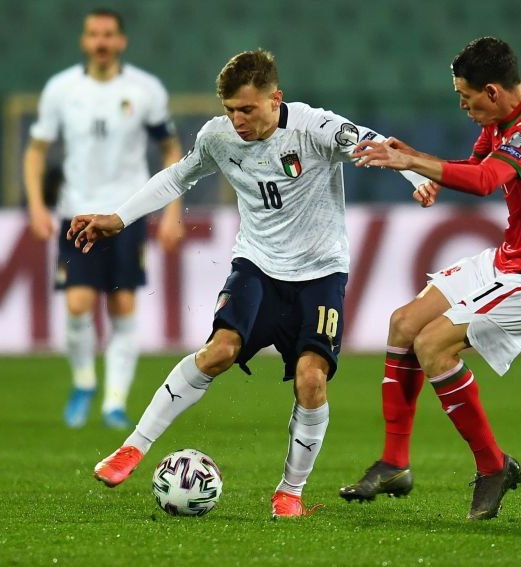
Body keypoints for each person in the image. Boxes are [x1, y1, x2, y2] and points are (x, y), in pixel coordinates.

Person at [67, 49, 429, 518]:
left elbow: (377, 144)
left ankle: (290, 492)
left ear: (275, 99)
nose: (237, 120)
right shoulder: (218, 137)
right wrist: (119, 217)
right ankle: (132, 448)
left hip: (320, 273)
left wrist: (414, 177)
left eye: (247, 109)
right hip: (257, 264)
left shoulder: (314, 127)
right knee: (218, 350)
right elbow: (179, 176)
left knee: (311, 380)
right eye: (230, 110)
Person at [339, 36, 521, 521]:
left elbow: (482, 184)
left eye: (466, 96)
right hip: (511, 257)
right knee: (403, 325)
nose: (463, 105)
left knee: (434, 346)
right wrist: (413, 156)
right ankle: (394, 463)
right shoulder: (505, 119)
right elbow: (476, 166)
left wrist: (410, 161)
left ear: (493, 91)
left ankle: (493, 466)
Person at [23, 8, 183, 430]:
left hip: (124, 215)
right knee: (78, 305)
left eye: (109, 34)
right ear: (84, 40)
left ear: (121, 41)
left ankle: (114, 401)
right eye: (94, 34)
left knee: (123, 305)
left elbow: (171, 151)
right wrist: (36, 205)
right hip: (75, 212)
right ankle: (83, 382)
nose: (101, 41)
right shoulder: (61, 89)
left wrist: (170, 213)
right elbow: (37, 150)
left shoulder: (145, 90)